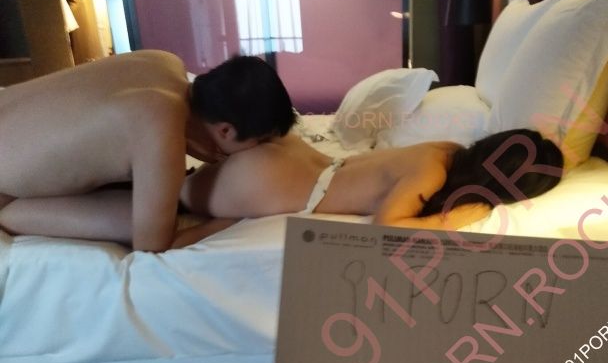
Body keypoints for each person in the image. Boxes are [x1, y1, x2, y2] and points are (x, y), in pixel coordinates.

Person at [0, 51, 296, 251]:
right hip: (4, 192)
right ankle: (9, 214)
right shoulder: (161, 125)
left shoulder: (163, 61)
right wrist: (225, 223)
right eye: (260, 141)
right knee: (141, 219)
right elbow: (152, 245)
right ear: (226, 131)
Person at [177, 128, 564, 234]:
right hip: (283, 184)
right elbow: (386, 226)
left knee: (173, 188)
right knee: (167, 200)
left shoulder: (448, 150)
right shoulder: (432, 174)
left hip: (297, 162)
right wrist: (456, 218)